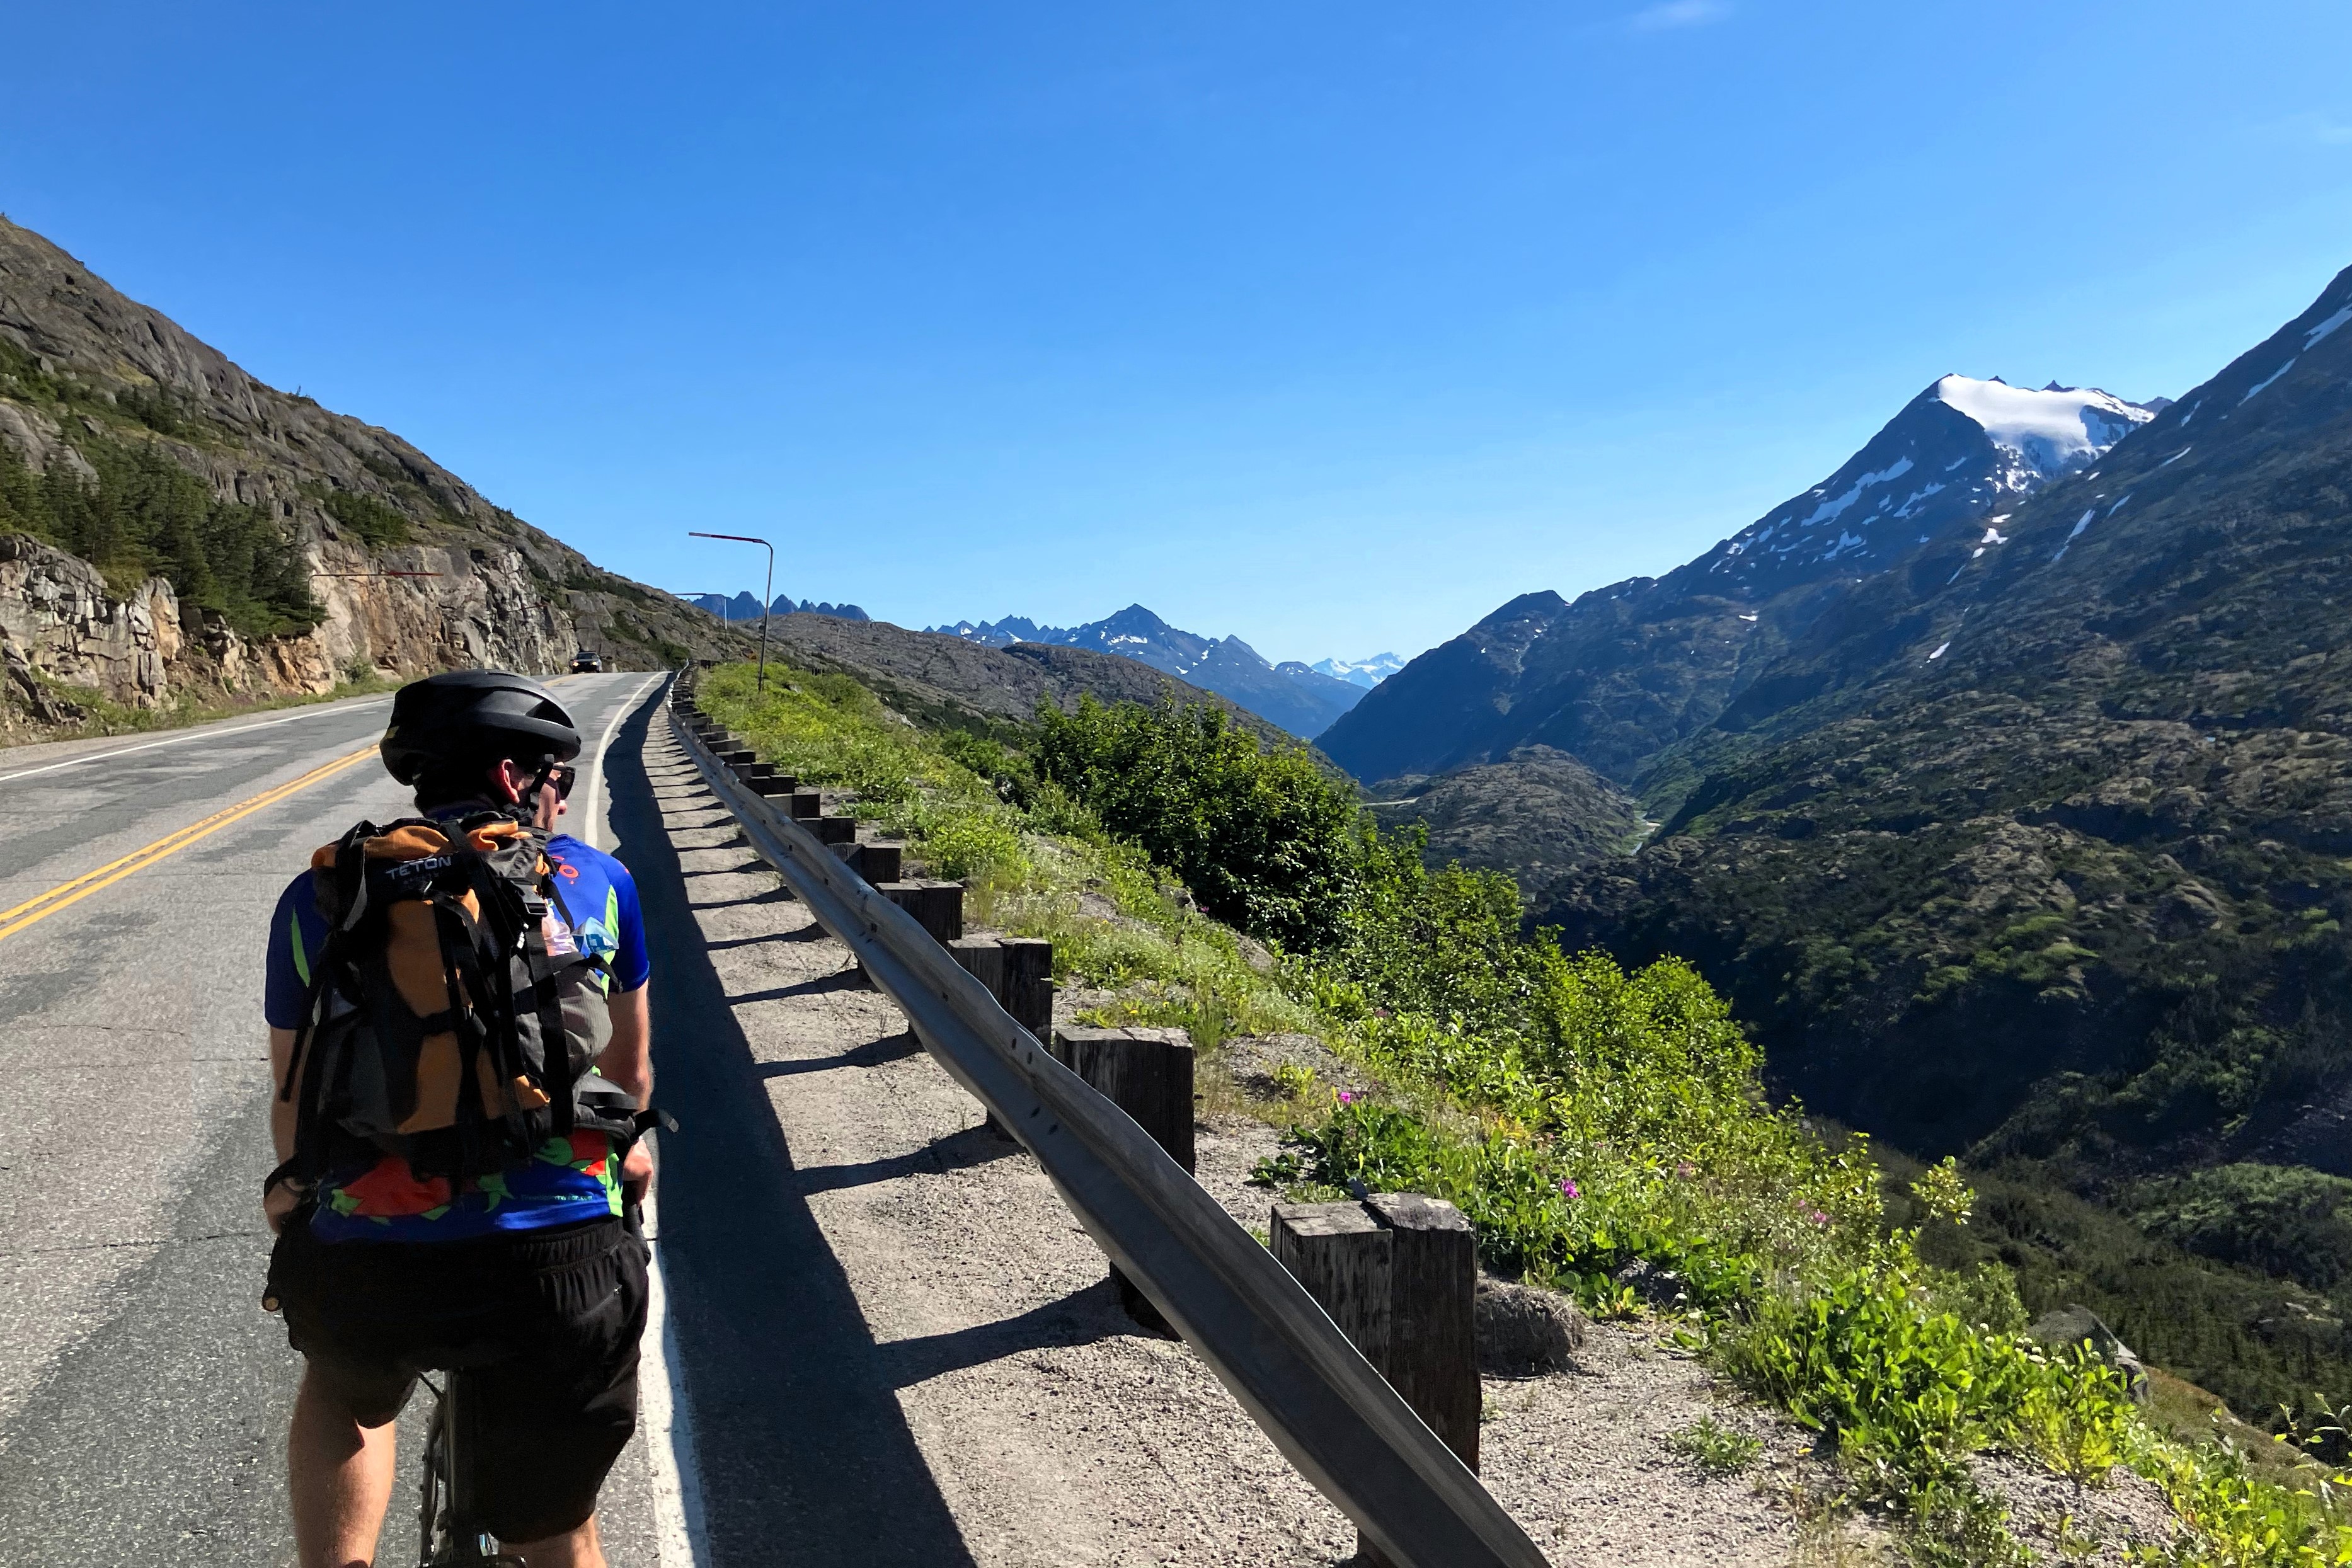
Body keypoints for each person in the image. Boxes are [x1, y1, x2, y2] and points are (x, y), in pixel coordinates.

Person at [260, 671, 656, 1568]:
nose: (560, 795)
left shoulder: (319, 895)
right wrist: (630, 1167)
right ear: (517, 780)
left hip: (373, 1256)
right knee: (561, 1529)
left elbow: (296, 1092)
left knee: (344, 1392)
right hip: (560, 1266)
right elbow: (629, 1075)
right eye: (558, 777)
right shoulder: (598, 884)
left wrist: (293, 1193)